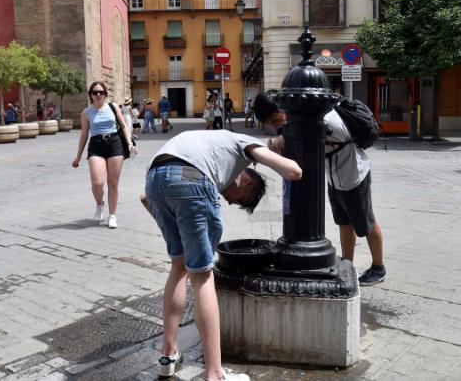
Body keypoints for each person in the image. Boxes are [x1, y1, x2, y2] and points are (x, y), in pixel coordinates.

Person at [142, 130, 302, 381]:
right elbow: (294, 172)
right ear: (249, 182)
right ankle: (215, 374)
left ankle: (168, 355)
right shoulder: (243, 143)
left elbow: (145, 198)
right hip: (192, 178)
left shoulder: (213, 142)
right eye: (242, 201)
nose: (229, 203)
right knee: (203, 277)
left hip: (154, 178)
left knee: (179, 266)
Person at [254, 93, 387, 286]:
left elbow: (312, 132)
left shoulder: (322, 117)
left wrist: (283, 138)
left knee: (365, 222)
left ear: (284, 109)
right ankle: (347, 264)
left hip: (354, 174)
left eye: (276, 120)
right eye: (271, 124)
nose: (276, 127)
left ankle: (378, 267)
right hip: (334, 177)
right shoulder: (300, 119)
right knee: (344, 221)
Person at [71, 81, 135, 229]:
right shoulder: (86, 112)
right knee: (97, 183)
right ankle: (100, 204)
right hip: (96, 145)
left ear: (105, 94)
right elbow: (84, 135)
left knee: (113, 183)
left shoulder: (113, 107)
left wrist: (129, 142)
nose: (98, 94)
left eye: (101, 92)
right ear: (91, 95)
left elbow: (124, 126)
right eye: (95, 92)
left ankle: (112, 215)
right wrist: (78, 156)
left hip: (114, 143)